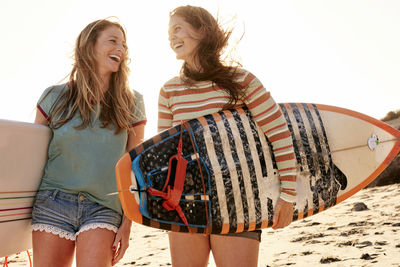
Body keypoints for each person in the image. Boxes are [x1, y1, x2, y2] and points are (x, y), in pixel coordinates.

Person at [158, 5, 297, 267]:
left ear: (202, 31)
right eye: (168, 33)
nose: (171, 37)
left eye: (177, 28)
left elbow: (279, 134)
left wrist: (287, 194)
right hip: (187, 202)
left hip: (238, 199)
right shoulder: (169, 91)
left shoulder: (242, 81)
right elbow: (164, 155)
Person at [32, 18, 146, 267]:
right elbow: (31, 158)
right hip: (53, 201)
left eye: (124, 45)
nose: (121, 49)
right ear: (89, 46)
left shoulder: (132, 102)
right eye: (113, 41)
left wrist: (127, 225)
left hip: (104, 206)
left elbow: (135, 169)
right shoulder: (55, 97)